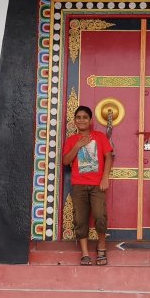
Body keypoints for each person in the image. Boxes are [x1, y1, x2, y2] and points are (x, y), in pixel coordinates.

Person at [62, 105, 114, 265]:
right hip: (78, 185)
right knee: (80, 219)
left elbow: (109, 157)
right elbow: (65, 161)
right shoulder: (71, 140)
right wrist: (78, 145)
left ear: (91, 120)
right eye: (78, 117)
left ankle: (101, 246)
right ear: (75, 121)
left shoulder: (99, 137)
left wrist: (105, 178)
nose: (81, 120)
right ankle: (85, 253)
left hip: (97, 185)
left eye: (85, 117)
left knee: (100, 216)